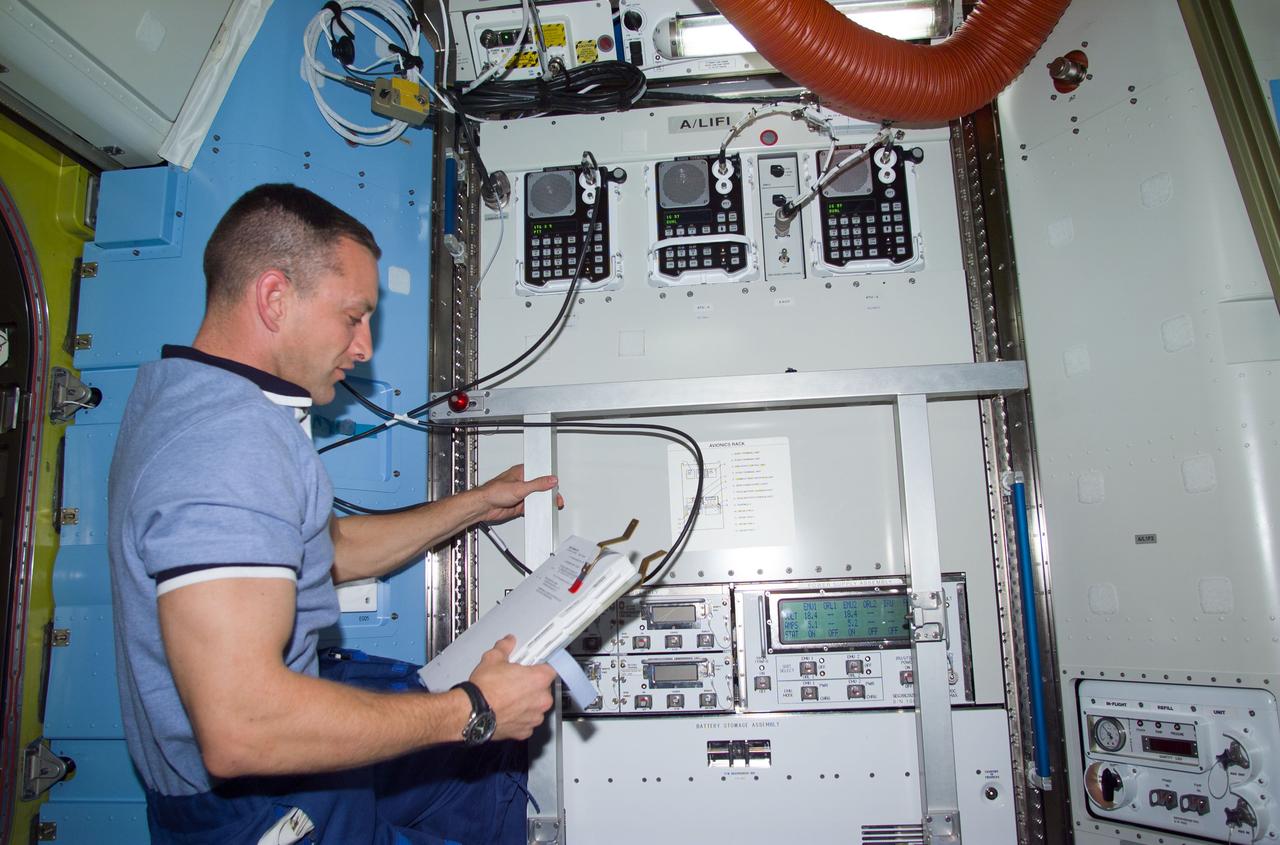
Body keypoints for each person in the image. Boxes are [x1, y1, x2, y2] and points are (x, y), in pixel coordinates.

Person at [107, 183, 560, 844]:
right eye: (353, 316)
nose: (364, 347)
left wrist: (475, 505)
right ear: (273, 298)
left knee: (482, 774)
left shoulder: (189, 397)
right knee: (478, 737)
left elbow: (326, 547)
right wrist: (475, 708)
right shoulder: (227, 444)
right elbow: (242, 727)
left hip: (274, 778)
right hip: (258, 804)